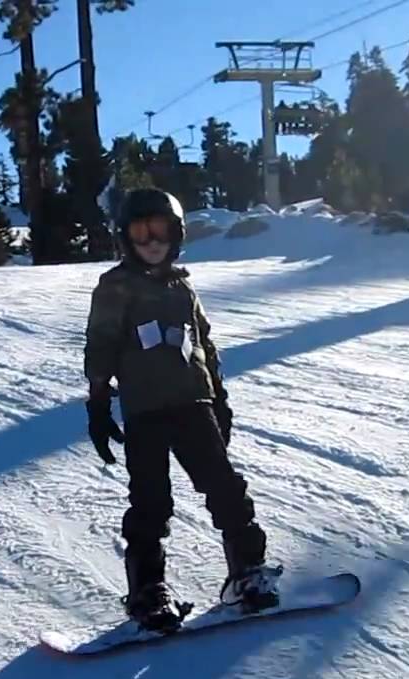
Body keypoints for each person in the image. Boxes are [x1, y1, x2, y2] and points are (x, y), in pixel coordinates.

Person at [83, 187, 280, 633]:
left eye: (160, 230)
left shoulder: (183, 285)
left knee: (226, 489)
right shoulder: (115, 287)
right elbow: (101, 346)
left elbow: (204, 345)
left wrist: (219, 398)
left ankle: (247, 572)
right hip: (144, 409)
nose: (152, 241)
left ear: (177, 234)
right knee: (151, 502)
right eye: (140, 232)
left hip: (194, 404)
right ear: (124, 238)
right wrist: (98, 402)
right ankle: (147, 592)